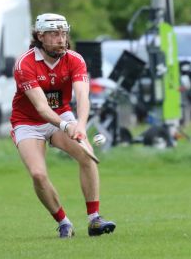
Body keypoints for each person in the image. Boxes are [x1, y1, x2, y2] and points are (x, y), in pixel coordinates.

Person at [10, 13, 116, 238]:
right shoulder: (24, 64)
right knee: (38, 174)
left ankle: (94, 219)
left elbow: (83, 97)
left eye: (64, 33)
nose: (61, 39)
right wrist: (67, 126)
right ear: (40, 36)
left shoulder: (75, 59)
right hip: (28, 123)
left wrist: (81, 125)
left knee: (86, 155)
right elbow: (41, 108)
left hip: (62, 115)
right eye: (54, 34)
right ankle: (63, 222)